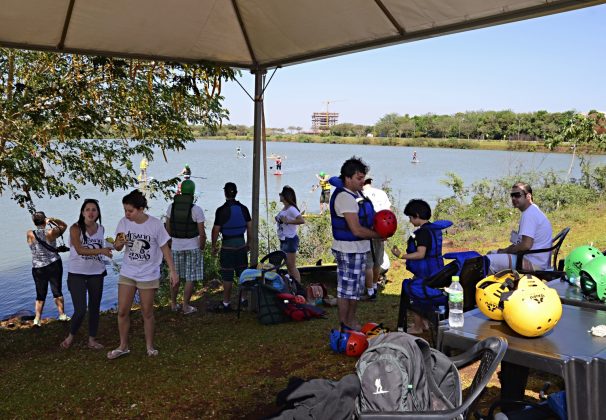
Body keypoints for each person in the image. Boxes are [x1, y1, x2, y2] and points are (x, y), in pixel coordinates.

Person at [107, 190, 178, 359]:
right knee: (122, 311)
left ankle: (150, 347)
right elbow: (117, 247)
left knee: (147, 312)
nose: (127, 214)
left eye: (130, 211)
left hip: (148, 274)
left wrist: (173, 271)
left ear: (140, 209)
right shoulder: (124, 223)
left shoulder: (155, 225)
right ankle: (123, 346)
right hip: (128, 271)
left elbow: (165, 248)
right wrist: (118, 243)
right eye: (125, 210)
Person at [329, 157, 382, 331]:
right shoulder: (344, 197)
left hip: (360, 249)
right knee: (347, 290)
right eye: (359, 178)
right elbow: (356, 230)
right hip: (348, 250)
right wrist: (378, 234)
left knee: (356, 289)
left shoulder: (357, 194)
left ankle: (351, 321)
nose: (362, 182)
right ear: (348, 178)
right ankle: (346, 324)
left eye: (363, 178)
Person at [60, 199, 113, 350]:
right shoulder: (75, 228)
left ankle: (92, 340)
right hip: (77, 274)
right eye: (88, 209)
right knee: (81, 309)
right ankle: (71, 336)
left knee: (95, 307)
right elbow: (80, 250)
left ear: (98, 213)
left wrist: (110, 248)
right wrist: (101, 250)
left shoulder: (101, 228)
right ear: (82, 212)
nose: (91, 212)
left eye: (94, 210)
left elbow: (101, 247)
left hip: (97, 273)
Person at [391, 199, 444, 334]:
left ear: (417, 215)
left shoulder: (422, 233)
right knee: (426, 293)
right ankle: (425, 322)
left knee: (415, 294)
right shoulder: (433, 229)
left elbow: (421, 254)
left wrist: (401, 255)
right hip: (436, 269)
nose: (409, 221)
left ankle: (417, 326)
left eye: (410, 217)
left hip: (426, 271)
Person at [486, 182, 552, 273]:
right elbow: (522, 242)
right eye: (512, 195)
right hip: (536, 259)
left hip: (532, 263)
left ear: (528, 196)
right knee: (492, 253)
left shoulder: (529, 214)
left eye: (517, 195)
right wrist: (504, 250)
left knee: (487, 261)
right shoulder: (533, 209)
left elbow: (526, 245)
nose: (513, 198)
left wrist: (507, 251)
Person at [165, 179, 206, 314]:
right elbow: (202, 233)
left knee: (175, 275)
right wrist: (202, 246)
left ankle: (173, 304)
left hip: (176, 246)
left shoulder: (171, 207)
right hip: (192, 246)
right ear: (193, 193)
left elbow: (168, 229)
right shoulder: (196, 210)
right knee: (190, 277)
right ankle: (186, 306)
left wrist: (170, 244)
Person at [211, 182, 252, 312]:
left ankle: (226, 302)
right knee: (242, 273)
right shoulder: (243, 209)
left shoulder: (221, 210)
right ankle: (244, 299)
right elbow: (250, 227)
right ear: (236, 192)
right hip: (240, 244)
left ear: (225, 193)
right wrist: (249, 242)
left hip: (227, 246)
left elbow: (215, 230)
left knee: (227, 275)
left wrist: (213, 245)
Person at [26, 212, 70, 326]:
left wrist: (44, 222)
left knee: (40, 294)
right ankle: (62, 315)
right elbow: (64, 225)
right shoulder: (51, 232)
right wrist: (53, 219)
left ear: (34, 222)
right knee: (57, 290)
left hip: (37, 267)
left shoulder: (29, 233)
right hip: (53, 264)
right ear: (45, 220)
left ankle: (37, 319)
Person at [361, 176, 392, 301]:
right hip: (381, 231)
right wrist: (387, 232)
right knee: (378, 260)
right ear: (371, 181)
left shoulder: (359, 195)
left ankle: (369, 291)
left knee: (368, 263)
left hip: (367, 231)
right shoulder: (381, 193)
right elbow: (389, 214)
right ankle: (374, 286)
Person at [275, 186, 305, 285]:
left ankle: (298, 288)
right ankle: (292, 287)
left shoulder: (292, 209)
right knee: (288, 266)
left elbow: (301, 220)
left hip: (290, 239)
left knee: (291, 266)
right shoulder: (285, 207)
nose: (279, 195)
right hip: (284, 239)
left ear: (285, 196)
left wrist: (288, 221)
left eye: (281, 194)